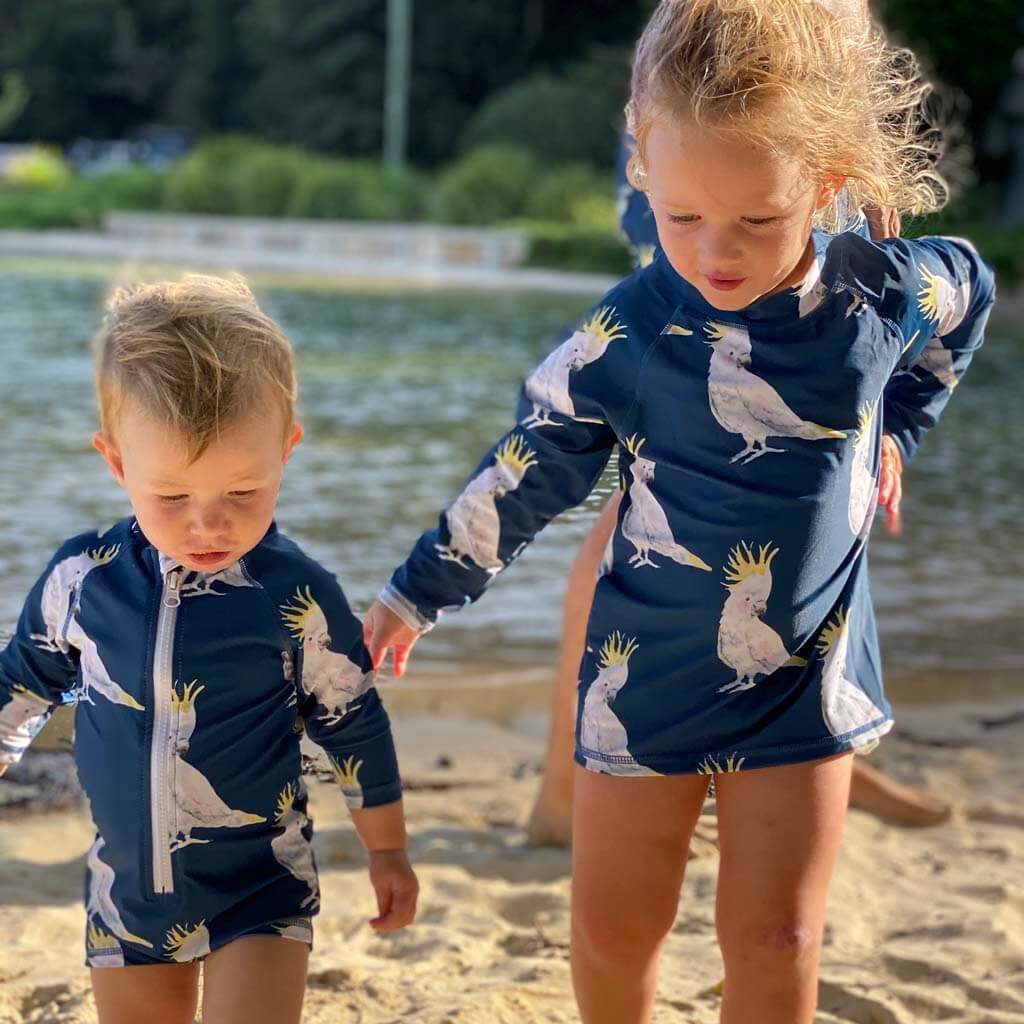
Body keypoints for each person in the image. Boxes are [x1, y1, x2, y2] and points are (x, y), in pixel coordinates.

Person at [365, 1, 995, 1021]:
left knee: (778, 937)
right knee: (614, 934)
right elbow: (528, 466)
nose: (714, 254)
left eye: (756, 220)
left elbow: (965, 292)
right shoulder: (630, 334)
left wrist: (896, 427)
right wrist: (414, 592)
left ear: (828, 181)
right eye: (680, 217)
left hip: (804, 685)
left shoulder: (872, 298)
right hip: (641, 683)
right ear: (641, 168)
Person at [0, 274, 418, 1024]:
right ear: (117, 463)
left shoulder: (297, 596)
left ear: (286, 451)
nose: (207, 526)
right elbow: (21, 689)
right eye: (172, 498)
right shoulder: (82, 583)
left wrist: (386, 849)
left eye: (242, 494)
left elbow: (353, 720)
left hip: (261, 885)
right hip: (127, 892)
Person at [526, 126, 954, 844]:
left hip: (801, 151)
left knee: (811, 483)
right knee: (672, 475)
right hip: (723, 143)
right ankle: (569, 786)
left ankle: (822, 732)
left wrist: (866, 150)